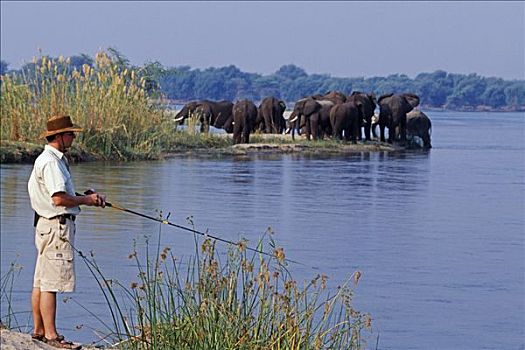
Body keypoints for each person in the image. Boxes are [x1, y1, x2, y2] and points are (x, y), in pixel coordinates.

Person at [27, 115, 106, 349]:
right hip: (56, 226)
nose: (74, 137)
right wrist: (88, 200)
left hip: (46, 226)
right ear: (60, 136)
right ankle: (51, 336)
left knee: (41, 280)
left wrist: (84, 196)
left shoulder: (50, 159)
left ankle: (39, 330)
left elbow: (60, 194)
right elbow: (59, 198)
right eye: (71, 133)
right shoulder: (51, 162)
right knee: (50, 283)